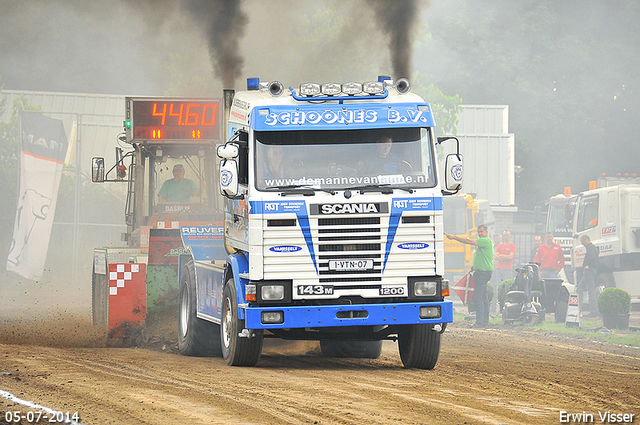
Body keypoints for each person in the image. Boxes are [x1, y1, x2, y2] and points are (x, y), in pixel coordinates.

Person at [446, 224, 493, 329]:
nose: (480, 234)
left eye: (481, 231)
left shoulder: (485, 240)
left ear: (486, 232)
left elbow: (467, 241)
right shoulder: (483, 243)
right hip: (482, 272)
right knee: (484, 298)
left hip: (483, 273)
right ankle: (484, 321)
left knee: (477, 297)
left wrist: (454, 237)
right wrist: (474, 266)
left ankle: (479, 322)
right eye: (478, 232)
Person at [493, 229, 516, 313]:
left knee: (507, 289)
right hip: (499, 269)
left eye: (507, 235)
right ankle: (498, 308)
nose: (505, 237)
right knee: (499, 288)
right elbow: (495, 257)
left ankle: (506, 307)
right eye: (504, 235)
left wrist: (501, 256)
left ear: (510, 236)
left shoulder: (512, 246)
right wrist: (505, 256)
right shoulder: (500, 246)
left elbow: (510, 257)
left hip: (508, 270)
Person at [576, 234, 600, 317]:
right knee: (580, 289)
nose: (582, 244)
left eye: (582, 242)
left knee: (590, 291)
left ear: (586, 240)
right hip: (591, 271)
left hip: (589, 271)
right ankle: (580, 310)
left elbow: (592, 257)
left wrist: (587, 265)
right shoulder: (592, 248)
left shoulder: (590, 248)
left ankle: (593, 311)